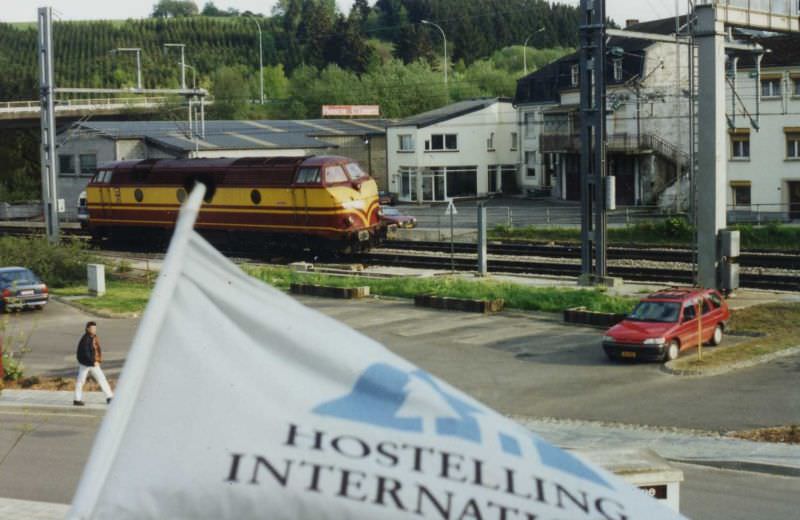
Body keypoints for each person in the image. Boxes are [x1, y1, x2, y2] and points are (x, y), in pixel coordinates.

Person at [74, 321, 114, 406]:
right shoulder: (86, 339)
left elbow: (96, 350)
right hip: (86, 363)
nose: (94, 330)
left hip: (91, 363)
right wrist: (93, 362)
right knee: (81, 381)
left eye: (95, 328)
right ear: (88, 329)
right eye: (92, 328)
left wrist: (97, 360)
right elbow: (86, 352)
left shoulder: (93, 337)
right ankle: (77, 399)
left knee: (101, 379)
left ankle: (109, 397)